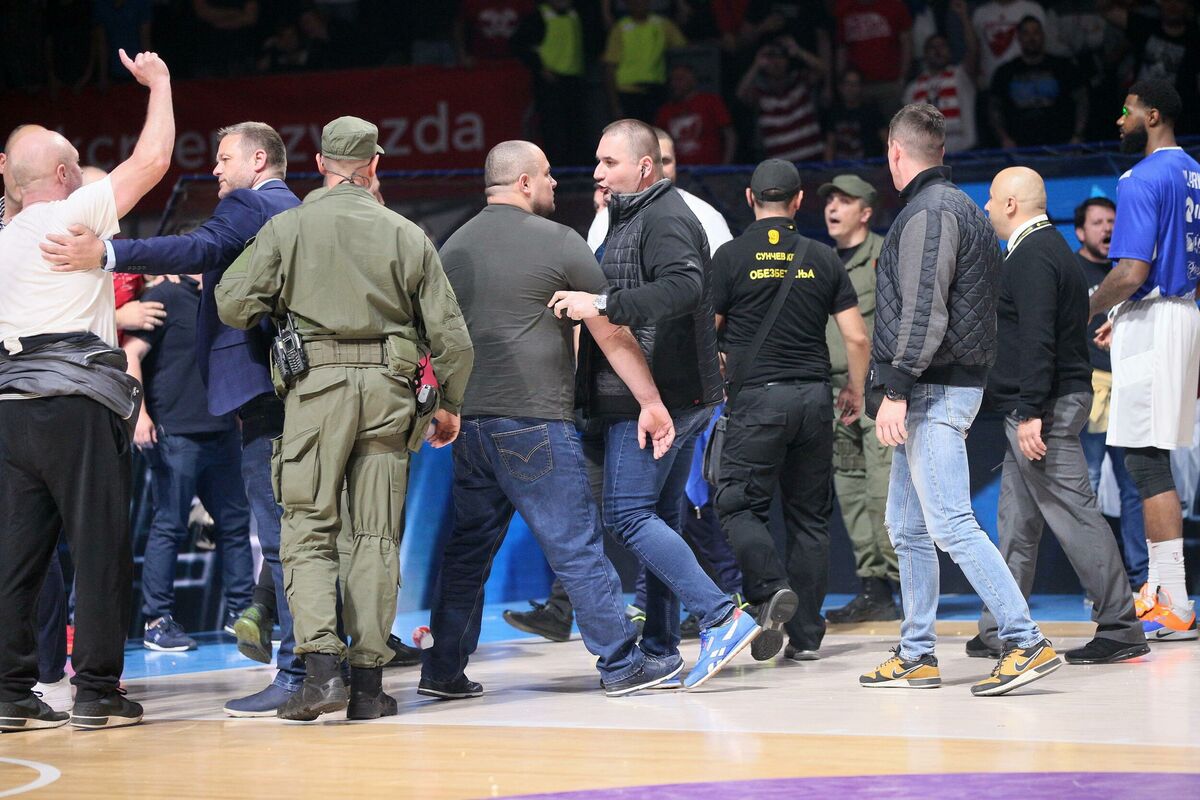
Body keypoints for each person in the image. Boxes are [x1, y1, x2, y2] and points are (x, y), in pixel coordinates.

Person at [40, 121, 306, 716]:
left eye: (224, 158)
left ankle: (296, 673)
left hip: (263, 395)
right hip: (300, 392)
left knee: (281, 539)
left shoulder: (250, 205)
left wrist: (107, 253)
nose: (215, 168)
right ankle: (317, 661)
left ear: (257, 161)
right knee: (301, 534)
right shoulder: (299, 208)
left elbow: (196, 249)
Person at [216, 116, 475, 721]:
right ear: (374, 165)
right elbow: (454, 341)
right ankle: (368, 688)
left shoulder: (287, 228)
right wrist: (450, 406)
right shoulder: (406, 233)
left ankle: (320, 676)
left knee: (308, 530)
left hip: (316, 394)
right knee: (376, 537)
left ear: (320, 164)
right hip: (390, 393)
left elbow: (232, 303)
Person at [428, 140, 681, 699]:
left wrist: (444, 406)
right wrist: (650, 400)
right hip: (534, 421)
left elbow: (434, 335)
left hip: (469, 424)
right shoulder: (560, 241)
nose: (554, 183)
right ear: (523, 182)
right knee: (577, 546)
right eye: (546, 175)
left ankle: (441, 671)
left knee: (467, 552)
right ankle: (622, 664)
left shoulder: (452, 248)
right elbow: (610, 331)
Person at [547, 119, 760, 689]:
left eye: (609, 163)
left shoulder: (665, 216)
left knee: (627, 515)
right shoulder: (632, 213)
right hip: (669, 393)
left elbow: (686, 287)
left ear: (644, 168)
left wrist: (602, 304)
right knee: (661, 520)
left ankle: (722, 615)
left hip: (656, 397)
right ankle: (662, 650)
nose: (597, 172)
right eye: (597, 161)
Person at [860, 103, 1062, 696]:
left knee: (948, 523)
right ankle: (917, 653)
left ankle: (1025, 640)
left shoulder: (930, 212)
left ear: (895, 153)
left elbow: (924, 311)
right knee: (907, 527)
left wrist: (895, 387)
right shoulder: (962, 207)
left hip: (931, 387)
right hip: (938, 384)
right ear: (941, 151)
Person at [0, 48, 174, 732]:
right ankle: (97, 691)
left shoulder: (3, 238)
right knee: (99, 548)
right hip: (75, 405)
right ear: (64, 177)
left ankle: (10, 692)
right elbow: (153, 160)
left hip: (11, 409)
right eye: (74, 168)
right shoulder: (74, 214)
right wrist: (159, 84)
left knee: (16, 557)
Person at [975, 166, 1148, 665]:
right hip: (1037, 404)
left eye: (992, 199)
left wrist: (1032, 410)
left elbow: (1038, 339)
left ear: (1011, 204)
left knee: (1076, 515)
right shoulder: (1053, 250)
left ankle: (1120, 626)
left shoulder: (1033, 254)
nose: (986, 207)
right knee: (1016, 521)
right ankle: (1002, 626)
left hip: (1041, 409)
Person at [711, 159, 871, 662]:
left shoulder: (730, 257)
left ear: (749, 198)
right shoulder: (823, 257)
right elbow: (856, 337)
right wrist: (856, 390)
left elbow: (706, 332)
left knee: (738, 505)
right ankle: (804, 637)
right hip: (814, 400)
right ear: (799, 202)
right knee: (810, 519)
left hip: (757, 400)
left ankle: (770, 589)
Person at [1088, 79, 1200, 641]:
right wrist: (1128, 313)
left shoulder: (1139, 177)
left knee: (1146, 460)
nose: (1120, 120)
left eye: (1126, 110)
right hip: (1182, 313)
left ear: (1152, 116)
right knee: (1149, 457)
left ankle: (1173, 599)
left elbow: (1131, 271)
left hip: (1156, 320)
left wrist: (1090, 305)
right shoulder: (1195, 172)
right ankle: (1160, 590)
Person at [124, 271, 255, 653]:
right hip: (175, 430)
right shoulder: (164, 296)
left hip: (222, 429)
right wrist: (139, 414)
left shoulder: (224, 299)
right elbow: (131, 353)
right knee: (169, 524)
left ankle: (242, 615)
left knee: (234, 524)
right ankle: (157, 621)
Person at [817, 174, 900, 625]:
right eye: (830, 199)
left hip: (875, 392)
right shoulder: (821, 261)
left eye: (844, 201)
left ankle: (905, 583)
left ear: (866, 212)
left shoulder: (885, 255)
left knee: (882, 490)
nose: (832, 207)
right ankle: (874, 588)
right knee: (849, 489)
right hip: (833, 394)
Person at [1074, 196, 1147, 590]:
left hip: (1130, 387)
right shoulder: (1071, 269)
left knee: (1134, 484)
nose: (1107, 229)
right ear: (1080, 231)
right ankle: (1097, 583)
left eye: (1112, 222)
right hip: (1089, 393)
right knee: (1086, 485)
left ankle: (1140, 579)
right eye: (1098, 222)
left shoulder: (1133, 270)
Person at [989, 16, 1088, 147]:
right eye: (1026, 33)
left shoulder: (1064, 66)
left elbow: (1082, 100)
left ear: (1043, 35)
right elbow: (994, 108)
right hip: (1020, 149)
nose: (1031, 38)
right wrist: (1004, 139)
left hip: (1061, 146)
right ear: (1019, 38)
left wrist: (1078, 135)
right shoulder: (1004, 72)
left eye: (1036, 32)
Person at [738, 38, 824, 163]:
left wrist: (798, 51)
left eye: (780, 57)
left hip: (813, 163)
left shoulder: (800, 80)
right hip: (782, 169)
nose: (776, 62)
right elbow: (741, 94)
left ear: (787, 60)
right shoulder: (761, 94)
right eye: (771, 58)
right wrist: (756, 64)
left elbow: (822, 69)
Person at [602, 0, 687, 123]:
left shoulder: (662, 24)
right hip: (628, 92)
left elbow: (683, 48)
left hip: (656, 90)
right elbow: (610, 66)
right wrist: (614, 104)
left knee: (657, 131)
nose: (639, 4)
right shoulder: (620, 28)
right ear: (627, 4)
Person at [833, 0, 913, 114]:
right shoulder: (844, 8)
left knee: (893, 122)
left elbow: (906, 42)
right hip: (857, 86)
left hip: (889, 83)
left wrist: (903, 77)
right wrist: (841, 81)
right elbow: (841, 48)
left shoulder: (894, 5)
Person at [903, 33, 977, 153]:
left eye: (942, 46)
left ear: (950, 51)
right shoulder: (913, 88)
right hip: (928, 154)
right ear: (925, 53)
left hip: (962, 150)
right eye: (933, 47)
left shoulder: (960, 75)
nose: (938, 51)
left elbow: (973, 51)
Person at [654, 64, 736, 166]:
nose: (675, 84)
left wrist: (725, 166)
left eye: (680, 79)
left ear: (692, 80)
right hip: (679, 171)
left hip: (711, 169)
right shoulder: (666, 110)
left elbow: (729, 135)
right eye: (673, 80)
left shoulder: (710, 102)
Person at [823, 68, 888, 161]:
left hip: (869, 166)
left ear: (861, 87)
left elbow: (887, 141)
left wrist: (885, 165)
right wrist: (828, 168)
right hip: (841, 166)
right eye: (848, 84)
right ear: (841, 87)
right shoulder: (834, 112)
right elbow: (830, 145)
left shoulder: (872, 111)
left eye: (855, 84)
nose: (851, 88)